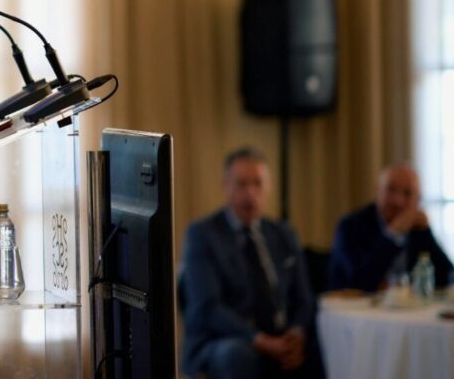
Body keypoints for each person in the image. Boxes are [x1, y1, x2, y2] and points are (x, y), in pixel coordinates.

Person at [181, 148, 322, 379]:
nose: (250, 193)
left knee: (321, 347)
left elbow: (304, 299)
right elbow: (208, 307)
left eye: (257, 184)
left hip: (279, 335)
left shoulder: (283, 234)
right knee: (237, 355)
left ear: (269, 188)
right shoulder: (203, 234)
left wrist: (296, 335)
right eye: (241, 184)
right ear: (225, 185)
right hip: (224, 339)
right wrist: (261, 341)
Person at [327, 164, 453, 292]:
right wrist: (392, 235)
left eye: (408, 193)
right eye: (391, 189)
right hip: (352, 310)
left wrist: (426, 233)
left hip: (408, 310)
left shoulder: (417, 228)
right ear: (377, 190)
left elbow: (448, 277)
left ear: (418, 198)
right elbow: (358, 281)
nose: (397, 201)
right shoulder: (350, 226)